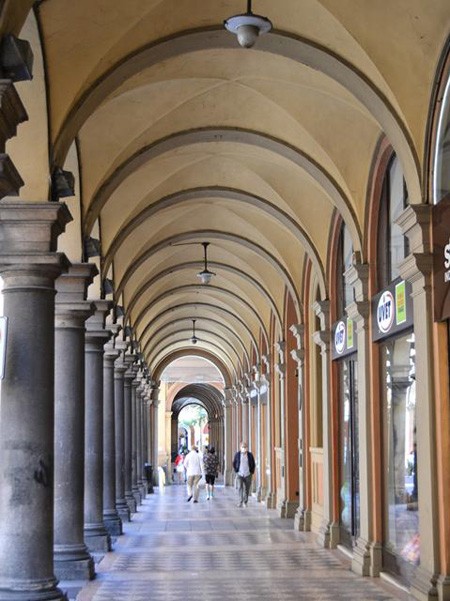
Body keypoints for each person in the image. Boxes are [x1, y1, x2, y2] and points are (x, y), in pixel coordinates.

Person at [233, 441, 255, 507]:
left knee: (247, 489)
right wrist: (236, 470)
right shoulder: (237, 455)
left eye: (245, 447)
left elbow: (253, 464)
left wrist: (251, 472)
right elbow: (234, 463)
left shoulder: (250, 455)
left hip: (248, 474)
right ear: (240, 447)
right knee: (240, 487)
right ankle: (240, 501)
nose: (244, 448)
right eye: (243, 447)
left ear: (247, 448)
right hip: (239, 474)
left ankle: (245, 502)